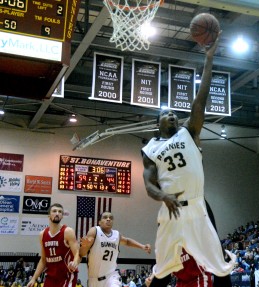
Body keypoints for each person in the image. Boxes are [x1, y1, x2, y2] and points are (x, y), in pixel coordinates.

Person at [141, 31, 235, 282]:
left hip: (196, 206)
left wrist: (209, 60)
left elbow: (200, 102)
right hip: (170, 209)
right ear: (157, 123)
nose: (172, 115)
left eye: (174, 113)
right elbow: (149, 184)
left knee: (219, 263)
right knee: (161, 271)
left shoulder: (189, 132)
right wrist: (163, 196)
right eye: (166, 114)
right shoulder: (150, 148)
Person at [79, 211, 151, 287]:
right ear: (99, 222)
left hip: (111, 277)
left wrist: (142, 246)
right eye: (105, 217)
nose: (108, 219)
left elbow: (127, 241)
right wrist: (85, 246)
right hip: (94, 280)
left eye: (111, 218)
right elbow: (81, 254)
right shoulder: (95, 231)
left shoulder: (116, 235)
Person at [26, 203, 80, 287]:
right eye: (54, 211)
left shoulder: (67, 232)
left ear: (62, 216)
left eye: (60, 212)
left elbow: (77, 253)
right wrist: (34, 278)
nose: (57, 213)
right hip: (51, 276)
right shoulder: (42, 234)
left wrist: (74, 263)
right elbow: (43, 260)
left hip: (66, 275)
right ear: (49, 215)